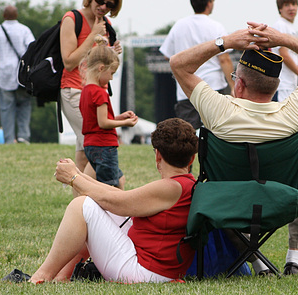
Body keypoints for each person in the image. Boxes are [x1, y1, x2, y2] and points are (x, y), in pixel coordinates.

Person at [169, 21, 298, 278]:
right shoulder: (296, 111)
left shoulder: (219, 111)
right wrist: (282, 39)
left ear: (240, 85)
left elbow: (178, 63)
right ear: (275, 86)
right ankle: (294, 257)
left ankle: (258, 262)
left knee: (217, 184)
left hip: (228, 202)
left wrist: (226, 42)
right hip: (282, 199)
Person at [28, 118, 198, 284]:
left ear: (157, 155)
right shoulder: (186, 184)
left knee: (80, 206)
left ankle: (41, 277)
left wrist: (73, 178)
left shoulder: (171, 187)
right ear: (192, 159)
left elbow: (120, 202)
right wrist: (78, 175)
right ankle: (62, 276)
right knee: (96, 206)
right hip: (155, 269)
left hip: (145, 273)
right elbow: (114, 196)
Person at [60, 0, 124, 177]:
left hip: (97, 93)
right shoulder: (72, 19)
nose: (103, 7)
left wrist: (112, 52)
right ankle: (92, 196)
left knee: (84, 150)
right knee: (94, 145)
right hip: (75, 92)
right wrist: (92, 35)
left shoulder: (106, 25)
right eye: (100, 1)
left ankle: (79, 202)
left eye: (110, 4)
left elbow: (97, 62)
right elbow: (69, 62)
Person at [159, 0, 234, 129]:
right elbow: (224, 59)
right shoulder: (216, 27)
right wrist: (233, 85)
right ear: (209, 3)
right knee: (217, 131)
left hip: (186, 90)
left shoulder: (179, 25)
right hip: (213, 87)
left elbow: (167, 56)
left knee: (188, 135)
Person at [80, 35, 138, 189]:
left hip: (90, 146)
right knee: (110, 187)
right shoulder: (100, 92)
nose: (111, 78)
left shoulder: (85, 91)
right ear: (101, 68)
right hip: (104, 146)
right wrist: (125, 123)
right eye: (111, 73)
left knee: (120, 180)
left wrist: (120, 117)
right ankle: (113, 213)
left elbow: (96, 119)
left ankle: (120, 212)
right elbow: (103, 123)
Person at [0, 5, 35, 144]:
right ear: (17, 15)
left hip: (4, 75)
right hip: (21, 74)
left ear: (3, 16)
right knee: (24, 105)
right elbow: (32, 49)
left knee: (6, 109)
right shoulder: (24, 30)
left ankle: (8, 139)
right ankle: (23, 136)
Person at [271, 0, 298, 102]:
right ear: (280, 9)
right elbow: (284, 55)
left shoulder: (290, 28)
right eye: (287, 5)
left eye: (294, 4)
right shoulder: (280, 25)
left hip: (289, 84)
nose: (291, 8)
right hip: (282, 85)